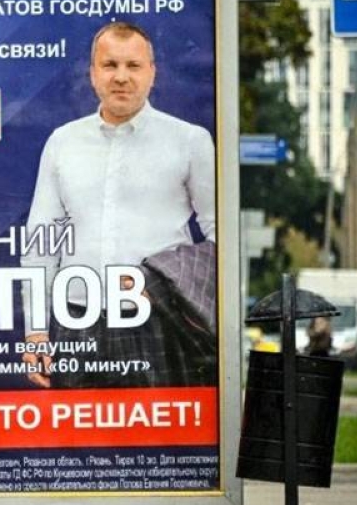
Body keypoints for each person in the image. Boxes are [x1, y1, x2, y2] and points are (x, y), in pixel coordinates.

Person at [21, 21, 217, 389]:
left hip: (156, 320)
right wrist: (35, 333)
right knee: (76, 445)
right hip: (75, 323)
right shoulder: (63, 142)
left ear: (152, 73)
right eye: (110, 65)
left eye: (133, 66)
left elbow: (222, 238)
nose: (121, 77)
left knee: (160, 444)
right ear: (93, 74)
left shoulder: (190, 141)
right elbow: (41, 244)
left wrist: (164, 286)